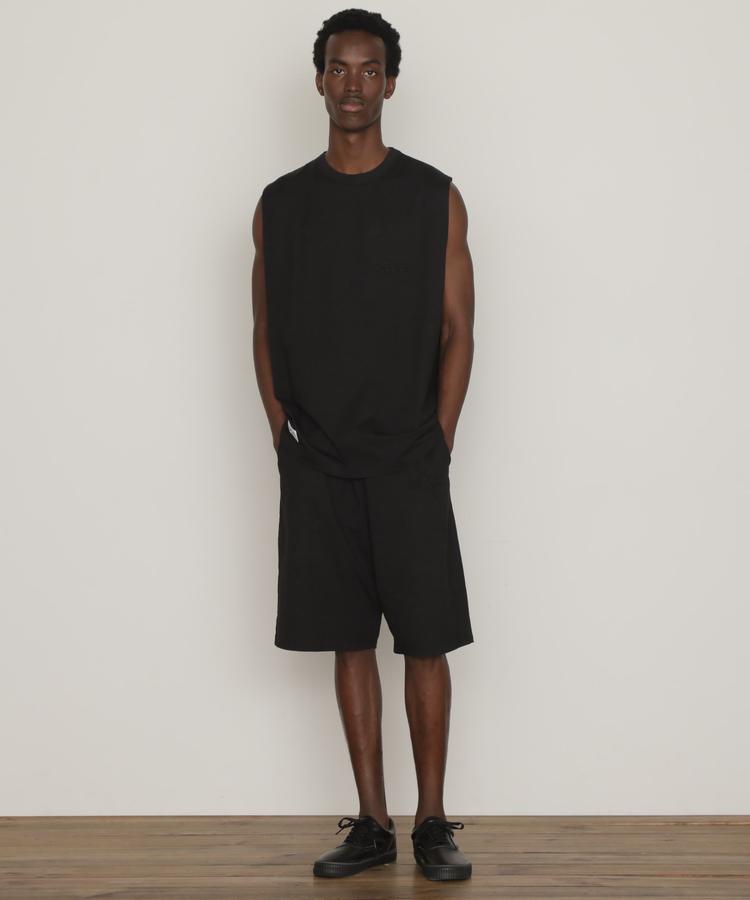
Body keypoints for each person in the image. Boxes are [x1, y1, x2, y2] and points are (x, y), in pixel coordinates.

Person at [251, 8, 476, 882]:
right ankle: (373, 824)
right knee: (349, 639)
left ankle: (433, 824)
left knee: (426, 640)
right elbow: (263, 327)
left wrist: (438, 440)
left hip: (410, 458)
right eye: (339, 68)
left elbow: (458, 330)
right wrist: (283, 433)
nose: (353, 83)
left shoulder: (433, 197)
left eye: (369, 68)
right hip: (319, 460)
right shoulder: (281, 204)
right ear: (319, 80)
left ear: (390, 82)